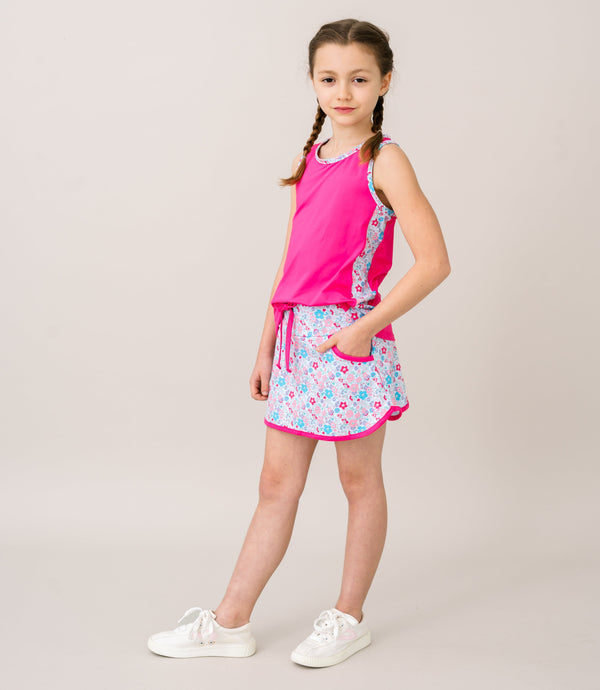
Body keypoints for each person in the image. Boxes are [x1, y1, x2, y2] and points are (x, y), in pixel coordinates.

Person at [147, 17, 451, 668]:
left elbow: (434, 262)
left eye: (359, 79)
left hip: (350, 342)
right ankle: (231, 621)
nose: (343, 92)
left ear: (385, 82)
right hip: (295, 344)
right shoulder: (308, 158)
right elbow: (291, 263)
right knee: (274, 485)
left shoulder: (385, 160)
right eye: (329, 78)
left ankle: (348, 617)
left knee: (358, 481)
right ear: (312, 82)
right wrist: (266, 344)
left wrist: (360, 331)